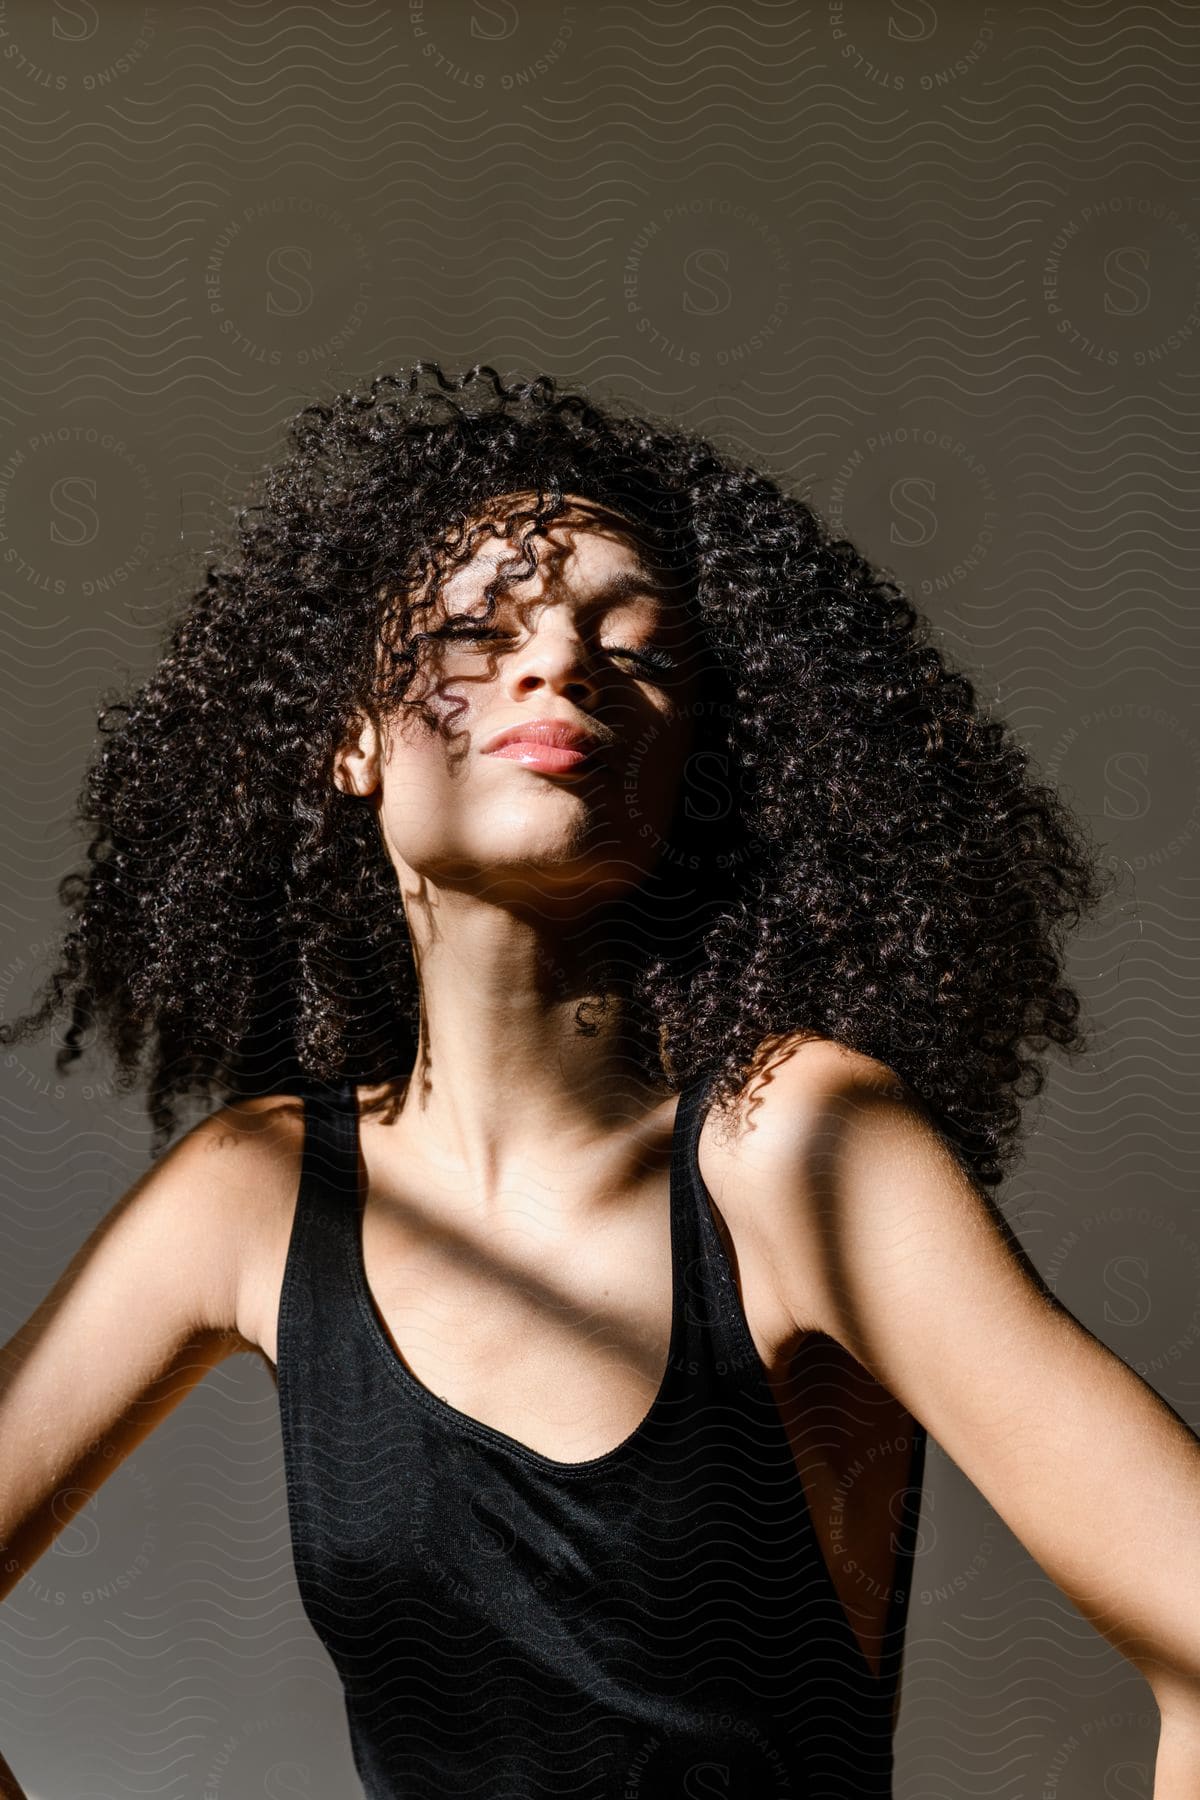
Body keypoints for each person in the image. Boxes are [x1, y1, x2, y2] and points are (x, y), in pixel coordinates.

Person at [1, 361, 1198, 1799]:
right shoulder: (254, 1193)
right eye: (468, 630)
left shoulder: (794, 1143)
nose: (556, 665)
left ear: (688, 761)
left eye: (636, 650)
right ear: (356, 740)